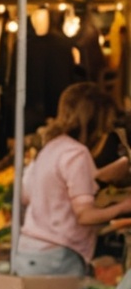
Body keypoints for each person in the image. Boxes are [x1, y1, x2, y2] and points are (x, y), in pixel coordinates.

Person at [16, 82, 131, 277]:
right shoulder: (77, 154)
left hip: (29, 251)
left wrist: (99, 177)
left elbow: (26, 195)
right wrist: (124, 207)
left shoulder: (51, 147)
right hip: (58, 256)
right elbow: (85, 216)